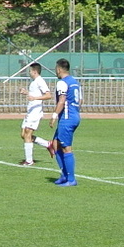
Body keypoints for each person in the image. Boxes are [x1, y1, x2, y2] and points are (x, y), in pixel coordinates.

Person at [50, 58, 81, 186]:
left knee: (66, 147)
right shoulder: (74, 82)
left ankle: (71, 179)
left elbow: (62, 100)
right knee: (55, 144)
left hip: (67, 118)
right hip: (74, 116)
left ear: (59, 69)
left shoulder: (62, 83)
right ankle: (64, 174)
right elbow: (80, 100)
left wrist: (54, 115)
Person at [19, 61, 52, 165]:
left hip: (35, 112)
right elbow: (34, 94)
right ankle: (47, 144)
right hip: (30, 111)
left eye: (30, 71)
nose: (29, 73)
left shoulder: (40, 81)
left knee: (28, 133)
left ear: (34, 71)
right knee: (23, 135)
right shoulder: (34, 82)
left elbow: (48, 95)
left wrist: (35, 98)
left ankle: (29, 161)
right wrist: (27, 93)